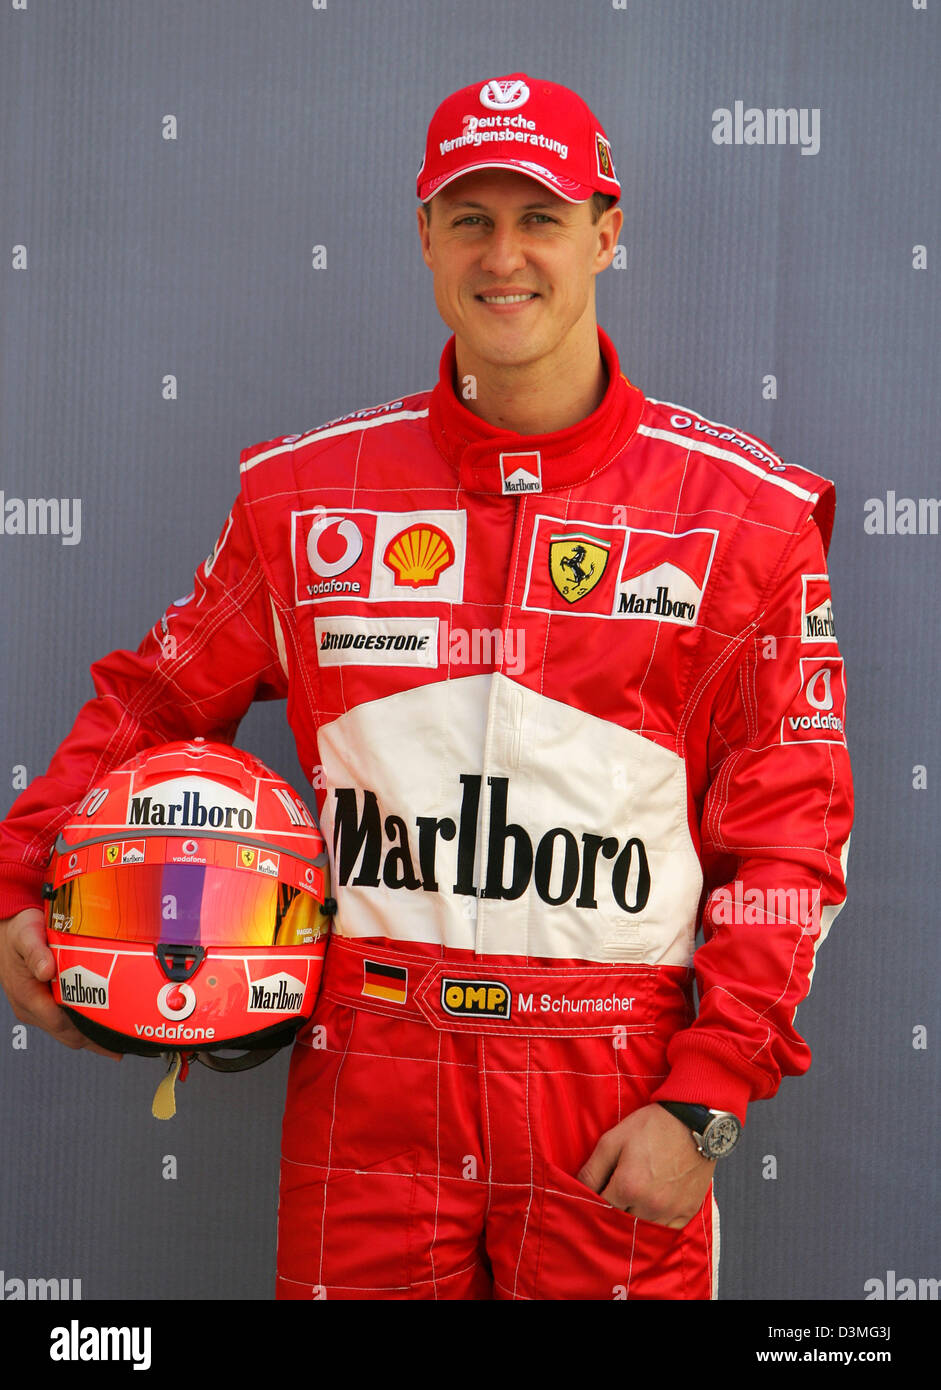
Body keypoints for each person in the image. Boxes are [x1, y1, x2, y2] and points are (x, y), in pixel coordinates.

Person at [0, 73, 852, 1300]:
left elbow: (790, 845)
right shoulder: (303, 500)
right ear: (423, 238)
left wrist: (706, 1102)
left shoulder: (743, 519)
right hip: (371, 1077)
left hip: (615, 1091)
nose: (504, 255)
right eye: (469, 218)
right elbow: (148, 703)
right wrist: (24, 872)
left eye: (540, 217)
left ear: (606, 234)